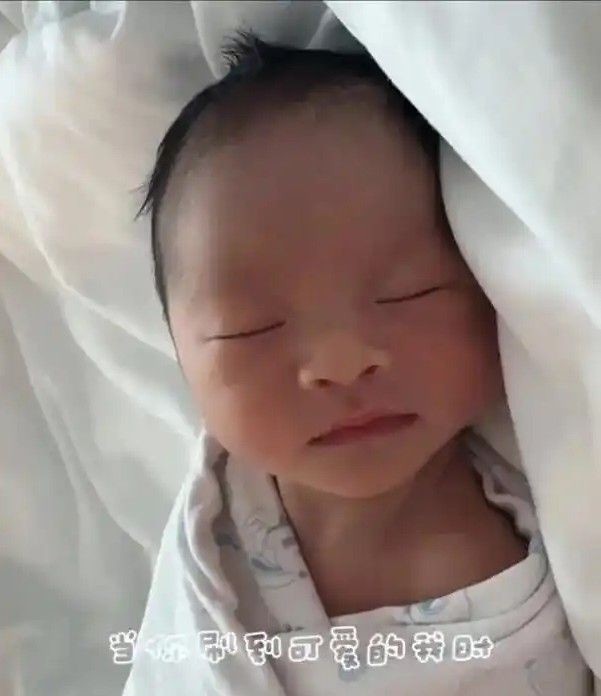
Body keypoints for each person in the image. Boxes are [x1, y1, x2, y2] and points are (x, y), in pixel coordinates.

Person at [123, 31, 591, 695]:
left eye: (409, 294)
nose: (341, 364)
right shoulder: (214, 529)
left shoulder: (561, 479)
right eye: (251, 330)